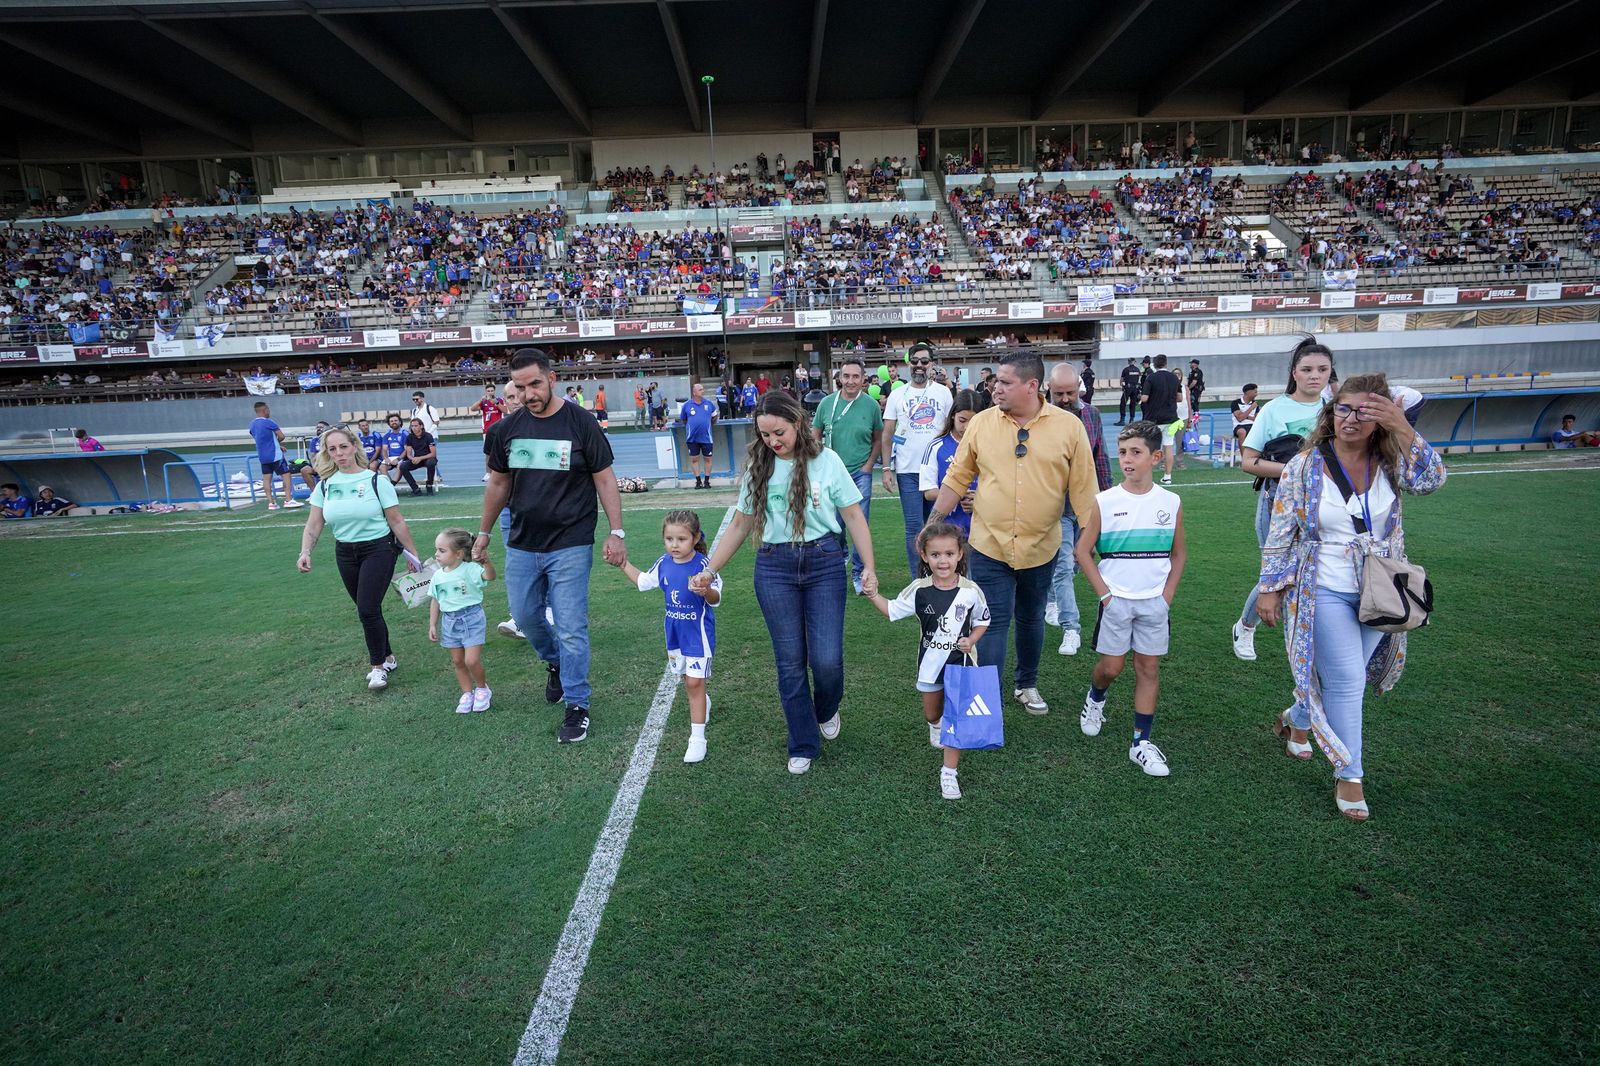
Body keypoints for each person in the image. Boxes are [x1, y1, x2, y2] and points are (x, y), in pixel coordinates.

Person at [1256, 373, 1447, 821]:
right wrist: (1270, 589)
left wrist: (1402, 426)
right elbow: (1282, 531)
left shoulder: (1392, 460)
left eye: (1365, 411)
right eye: (1344, 408)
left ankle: (1298, 717)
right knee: (1346, 681)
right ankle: (1350, 773)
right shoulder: (1304, 466)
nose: (1351, 419)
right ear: (1331, 411)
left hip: (1379, 588)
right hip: (1320, 585)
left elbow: (1433, 480)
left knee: (1347, 674)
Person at [694, 390, 877, 775]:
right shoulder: (759, 468)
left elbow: (854, 516)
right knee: (790, 662)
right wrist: (710, 569)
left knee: (826, 660)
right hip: (774, 568)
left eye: (779, 432)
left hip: (825, 562)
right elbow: (741, 524)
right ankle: (803, 742)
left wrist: (868, 567)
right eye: (764, 435)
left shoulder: (827, 461)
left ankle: (826, 709)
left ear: (798, 423)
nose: (773, 441)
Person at [925, 351, 1098, 716]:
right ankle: (985, 697)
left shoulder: (1069, 427)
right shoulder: (982, 423)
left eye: (1005, 382)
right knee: (993, 620)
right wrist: (933, 523)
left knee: (1032, 617)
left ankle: (1026, 684)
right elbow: (956, 477)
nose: (995, 388)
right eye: (996, 381)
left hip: (1042, 545)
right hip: (988, 543)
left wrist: (1089, 540)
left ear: (1032, 386)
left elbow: (1084, 490)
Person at [476, 348, 626, 745]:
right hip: (522, 543)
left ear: (552, 378)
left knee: (572, 626)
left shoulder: (581, 423)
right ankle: (555, 663)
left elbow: (605, 479)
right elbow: (498, 485)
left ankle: (577, 704)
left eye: (535, 384)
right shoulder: (505, 431)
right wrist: (485, 533)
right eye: (520, 387)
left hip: (571, 542)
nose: (528, 394)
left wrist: (617, 531)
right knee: (525, 618)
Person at [1075, 421, 1188, 777]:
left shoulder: (1170, 502)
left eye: (1136, 453)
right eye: (1122, 452)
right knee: (1112, 668)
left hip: (1154, 603)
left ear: (1155, 457)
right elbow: (1082, 551)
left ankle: (1141, 742)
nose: (1127, 459)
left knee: (1148, 668)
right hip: (1116, 603)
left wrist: (1166, 596)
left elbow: (1179, 554)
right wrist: (1106, 597)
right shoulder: (1106, 501)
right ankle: (1095, 698)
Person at [866, 522, 991, 801]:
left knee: (955, 721)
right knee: (933, 714)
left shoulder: (971, 591)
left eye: (949, 553)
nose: (943, 560)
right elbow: (892, 611)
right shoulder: (919, 590)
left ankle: (949, 773)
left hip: (962, 665)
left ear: (960, 554)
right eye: (936, 555)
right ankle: (935, 724)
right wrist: (873, 594)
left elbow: (984, 620)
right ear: (924, 556)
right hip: (930, 668)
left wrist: (971, 640)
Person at [296, 427, 423, 691]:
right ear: (327, 454)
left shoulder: (377, 481)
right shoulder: (325, 485)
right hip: (345, 552)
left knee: (366, 608)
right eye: (332, 449)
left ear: (354, 446)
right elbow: (314, 524)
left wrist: (412, 553)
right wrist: (305, 551)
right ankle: (388, 656)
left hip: (379, 549)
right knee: (368, 609)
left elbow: (397, 520)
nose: (339, 454)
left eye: (343, 447)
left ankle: (377, 667)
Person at [1232, 339, 1335, 663]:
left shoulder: (1335, 408)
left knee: (1311, 574)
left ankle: (1305, 641)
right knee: (1276, 573)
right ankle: (1246, 626)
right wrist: (1296, 470)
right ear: (1294, 373)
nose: (1314, 376)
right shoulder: (1275, 409)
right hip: (1276, 504)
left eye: (1322, 370)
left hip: (1324, 506)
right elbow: (1249, 461)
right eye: (1307, 369)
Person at [611, 509, 721, 764]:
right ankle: (703, 702)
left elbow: (716, 598)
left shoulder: (704, 566)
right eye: (669, 539)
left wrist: (705, 590)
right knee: (687, 679)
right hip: (674, 634)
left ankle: (697, 740)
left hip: (698, 635)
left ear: (694, 539)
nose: (674, 545)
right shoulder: (664, 563)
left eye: (681, 539)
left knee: (694, 682)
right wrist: (623, 564)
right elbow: (643, 581)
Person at [1045, 363, 1113, 657]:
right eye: (1058, 393)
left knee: (1074, 563)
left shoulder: (1092, 415)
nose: (1063, 398)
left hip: (1086, 504)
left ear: (1079, 389)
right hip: (1055, 505)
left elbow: (1100, 459)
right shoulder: (1041, 419)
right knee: (1062, 566)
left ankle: (1050, 600)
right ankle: (1071, 627)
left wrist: (1108, 502)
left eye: (1069, 392)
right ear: (1049, 388)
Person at [813, 357, 884, 594]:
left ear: (863, 380)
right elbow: (815, 436)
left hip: (859, 473)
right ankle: (841, 553)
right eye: (846, 376)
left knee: (859, 521)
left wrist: (869, 466)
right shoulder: (826, 403)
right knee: (834, 523)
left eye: (856, 376)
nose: (851, 381)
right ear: (839, 378)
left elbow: (878, 439)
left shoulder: (871, 406)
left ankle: (858, 573)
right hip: (831, 475)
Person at [882, 342, 954, 576]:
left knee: (939, 526)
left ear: (932, 363)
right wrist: (885, 467)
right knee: (914, 527)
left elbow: (954, 429)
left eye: (924, 361)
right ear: (908, 363)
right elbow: (887, 433)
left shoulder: (943, 392)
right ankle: (918, 579)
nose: (919, 366)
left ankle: (942, 574)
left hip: (937, 471)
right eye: (915, 361)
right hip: (907, 470)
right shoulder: (897, 394)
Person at [427, 527, 496, 714]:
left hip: (471, 618)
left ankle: (482, 688)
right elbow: (435, 600)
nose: (436, 554)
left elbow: (490, 576)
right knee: (458, 661)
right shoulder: (438, 576)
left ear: (458, 554)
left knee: (471, 660)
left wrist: (486, 562)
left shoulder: (470, 570)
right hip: (449, 622)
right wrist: (433, 624)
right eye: (436, 550)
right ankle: (467, 693)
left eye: (442, 551)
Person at [919, 390, 980, 537]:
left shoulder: (988, 445)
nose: (966, 427)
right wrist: (957, 494)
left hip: (982, 531)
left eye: (972, 422)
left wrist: (979, 500)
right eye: (962, 420)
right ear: (953, 415)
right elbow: (928, 492)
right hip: (948, 530)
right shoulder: (936, 446)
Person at [248, 401, 304, 510]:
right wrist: (278, 445)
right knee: (286, 475)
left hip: (263, 457)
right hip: (275, 455)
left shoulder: (252, 424)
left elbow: (260, 439)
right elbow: (281, 436)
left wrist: (276, 445)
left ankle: (271, 503)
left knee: (266, 479)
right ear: (265, 410)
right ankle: (288, 500)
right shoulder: (269, 422)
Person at [1138, 354, 1183, 485]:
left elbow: (1145, 398)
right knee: (1168, 446)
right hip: (1170, 418)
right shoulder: (1174, 378)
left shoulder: (1151, 377)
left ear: (1155, 364)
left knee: (1149, 447)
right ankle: (1168, 476)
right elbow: (1179, 397)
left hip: (1153, 418)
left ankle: (1146, 475)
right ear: (1166, 363)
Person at [679, 382, 719, 489]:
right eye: (700, 389)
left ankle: (706, 481)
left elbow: (714, 417)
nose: (703, 391)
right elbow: (683, 419)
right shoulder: (687, 405)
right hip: (692, 439)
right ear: (694, 392)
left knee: (708, 459)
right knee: (694, 460)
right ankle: (698, 481)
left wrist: (708, 424)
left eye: (703, 389)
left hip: (706, 437)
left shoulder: (709, 404)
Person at [471, 385, 506, 481]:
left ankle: (502, 472)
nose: (490, 392)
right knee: (488, 453)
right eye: (488, 390)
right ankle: (488, 473)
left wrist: (497, 403)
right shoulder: (484, 402)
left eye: (492, 390)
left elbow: (506, 411)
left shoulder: (500, 400)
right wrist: (480, 400)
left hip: (499, 430)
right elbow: (473, 409)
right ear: (486, 392)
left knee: (501, 451)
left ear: (495, 391)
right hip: (487, 431)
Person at [398, 417, 439, 496]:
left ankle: (429, 486)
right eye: (412, 426)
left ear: (421, 426)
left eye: (416, 426)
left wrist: (419, 458)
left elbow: (433, 454)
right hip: (417, 459)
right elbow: (408, 453)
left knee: (431, 463)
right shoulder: (410, 437)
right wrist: (412, 458)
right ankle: (416, 489)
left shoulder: (428, 436)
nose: (414, 428)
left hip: (428, 458)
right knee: (403, 466)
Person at [1227, 384, 1259, 466]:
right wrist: (1251, 408)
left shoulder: (1256, 404)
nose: (1257, 394)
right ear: (1248, 392)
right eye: (1255, 392)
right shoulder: (1235, 403)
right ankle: (1244, 460)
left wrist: (1245, 415)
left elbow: (1257, 419)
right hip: (1239, 426)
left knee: (1262, 431)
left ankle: (1260, 458)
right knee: (1242, 432)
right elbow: (1240, 418)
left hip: (1252, 426)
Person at [376, 414, 409, 483]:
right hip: (391, 458)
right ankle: (389, 485)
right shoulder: (387, 434)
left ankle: (392, 485)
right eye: (391, 421)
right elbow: (384, 449)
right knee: (382, 467)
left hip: (403, 457)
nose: (394, 422)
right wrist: (386, 458)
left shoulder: (404, 433)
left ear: (400, 422)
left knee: (400, 467)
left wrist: (398, 459)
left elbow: (407, 450)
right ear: (389, 423)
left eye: (395, 420)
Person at [1117, 358, 1140, 425]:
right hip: (1135, 388)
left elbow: (1121, 380)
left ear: (1129, 362)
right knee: (1133, 404)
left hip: (1128, 388)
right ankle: (1132, 419)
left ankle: (1122, 419)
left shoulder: (1126, 369)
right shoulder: (1137, 370)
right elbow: (1139, 378)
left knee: (1123, 403)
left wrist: (1122, 386)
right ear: (1134, 362)